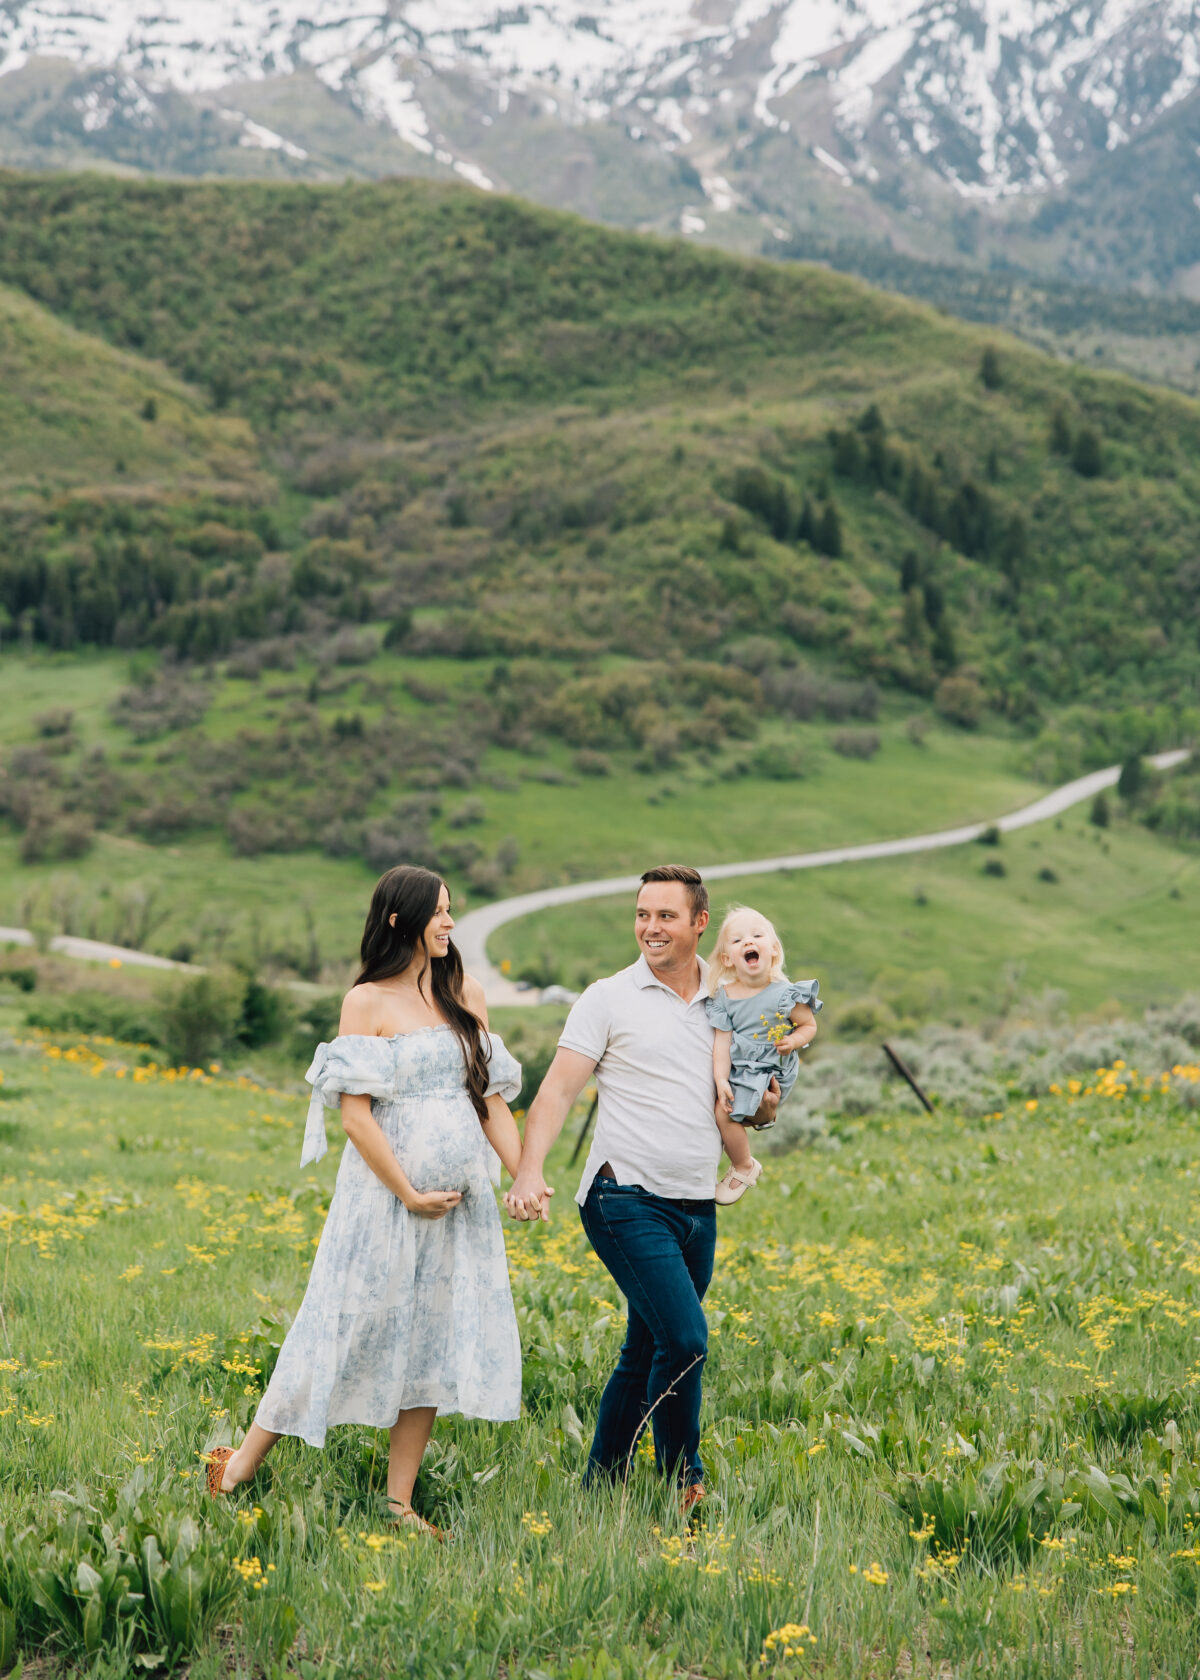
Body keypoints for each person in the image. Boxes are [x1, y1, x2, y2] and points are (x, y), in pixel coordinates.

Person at [205, 865, 527, 1534]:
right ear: (398, 921)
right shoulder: (368, 1001)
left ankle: (399, 1503)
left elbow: (488, 1099)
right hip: (385, 1202)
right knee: (338, 1324)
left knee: (431, 1343)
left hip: (459, 1209)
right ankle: (237, 1467)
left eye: (450, 911)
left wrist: (525, 1175)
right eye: (438, 912)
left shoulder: (466, 993)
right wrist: (408, 1192)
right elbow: (356, 1117)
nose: (449, 922)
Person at [505, 864, 779, 1513]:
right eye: (642, 915)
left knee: (647, 1347)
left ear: (699, 923)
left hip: (696, 1204)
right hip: (621, 1197)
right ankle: (685, 1479)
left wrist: (764, 1108)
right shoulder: (608, 997)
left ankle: (603, 1485)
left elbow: (753, 1109)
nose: (650, 928)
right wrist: (528, 1168)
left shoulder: (730, 999)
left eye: (665, 916)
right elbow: (558, 1092)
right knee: (685, 1340)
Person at [705, 904, 821, 1205]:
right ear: (727, 958)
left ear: (774, 949)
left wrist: (793, 1040)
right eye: (737, 939)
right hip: (740, 1067)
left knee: (724, 1113)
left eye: (757, 935)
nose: (748, 942)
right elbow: (721, 1044)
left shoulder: (784, 993)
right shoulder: (724, 998)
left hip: (771, 1069)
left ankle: (743, 1165)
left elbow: (809, 1025)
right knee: (719, 1106)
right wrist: (720, 1080)